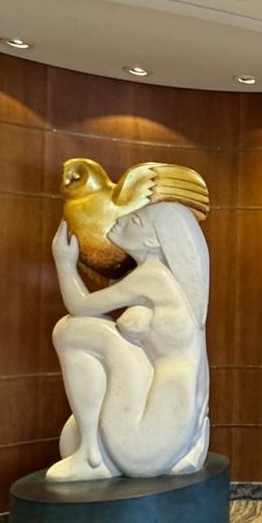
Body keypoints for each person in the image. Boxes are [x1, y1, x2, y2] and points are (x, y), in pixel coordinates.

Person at [48, 201, 210, 480]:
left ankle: (91, 455)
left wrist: (64, 262)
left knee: (70, 331)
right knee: (80, 332)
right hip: (176, 426)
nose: (120, 219)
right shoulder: (166, 281)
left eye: (135, 221)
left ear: (152, 240)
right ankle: (91, 449)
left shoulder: (153, 276)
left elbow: (80, 305)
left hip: (154, 432)